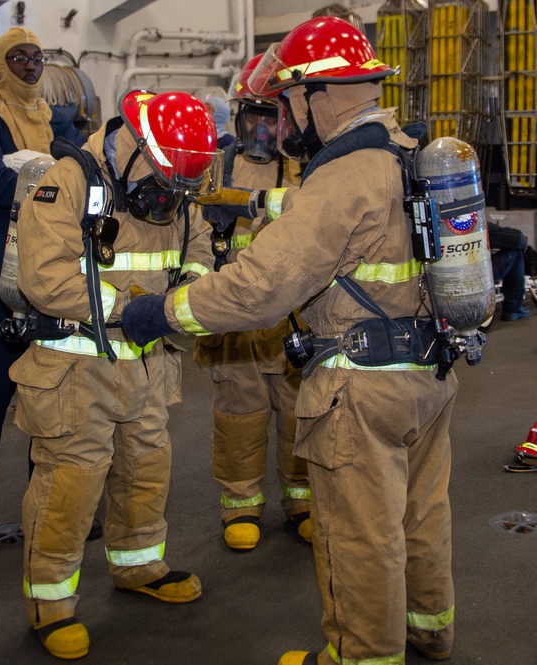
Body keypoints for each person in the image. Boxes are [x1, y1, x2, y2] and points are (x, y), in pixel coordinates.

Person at [121, 17, 459, 665]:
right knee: (422, 512)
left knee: (359, 533)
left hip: (362, 389)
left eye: (286, 103)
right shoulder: (402, 150)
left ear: (314, 95)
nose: (280, 120)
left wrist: (162, 313)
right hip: (429, 371)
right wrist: (255, 206)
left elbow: (259, 289)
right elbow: (341, 218)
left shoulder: (342, 177)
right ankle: (429, 628)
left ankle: (360, 655)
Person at [10, 89, 217, 659]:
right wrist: (129, 309)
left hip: (148, 365)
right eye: (166, 180)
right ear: (135, 145)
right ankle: (49, 603)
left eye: (182, 188)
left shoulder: (176, 185)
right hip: (77, 366)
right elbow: (46, 279)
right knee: (70, 484)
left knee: (146, 468)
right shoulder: (68, 181)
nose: (171, 198)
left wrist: (186, 294)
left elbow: (197, 248)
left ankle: (138, 565)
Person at [0, 27, 87, 566]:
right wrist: (52, 179)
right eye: (19, 58)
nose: (30, 66)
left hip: (51, 270)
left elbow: (82, 171)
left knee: (50, 401)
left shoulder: (57, 117)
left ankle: (49, 517)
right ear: (2, 64)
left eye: (36, 58)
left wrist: (32, 172)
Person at [194, 54, 311, 551]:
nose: (262, 129)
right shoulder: (214, 167)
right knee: (238, 417)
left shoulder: (301, 170)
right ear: (238, 118)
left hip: (291, 321)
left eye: (271, 117)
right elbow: (192, 237)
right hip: (237, 324)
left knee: (297, 414)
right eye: (254, 117)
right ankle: (240, 504)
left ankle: (301, 499)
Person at [487, 222, 531, 321]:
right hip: (478, 274)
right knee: (516, 253)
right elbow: (519, 241)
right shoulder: (474, 223)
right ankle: (513, 309)